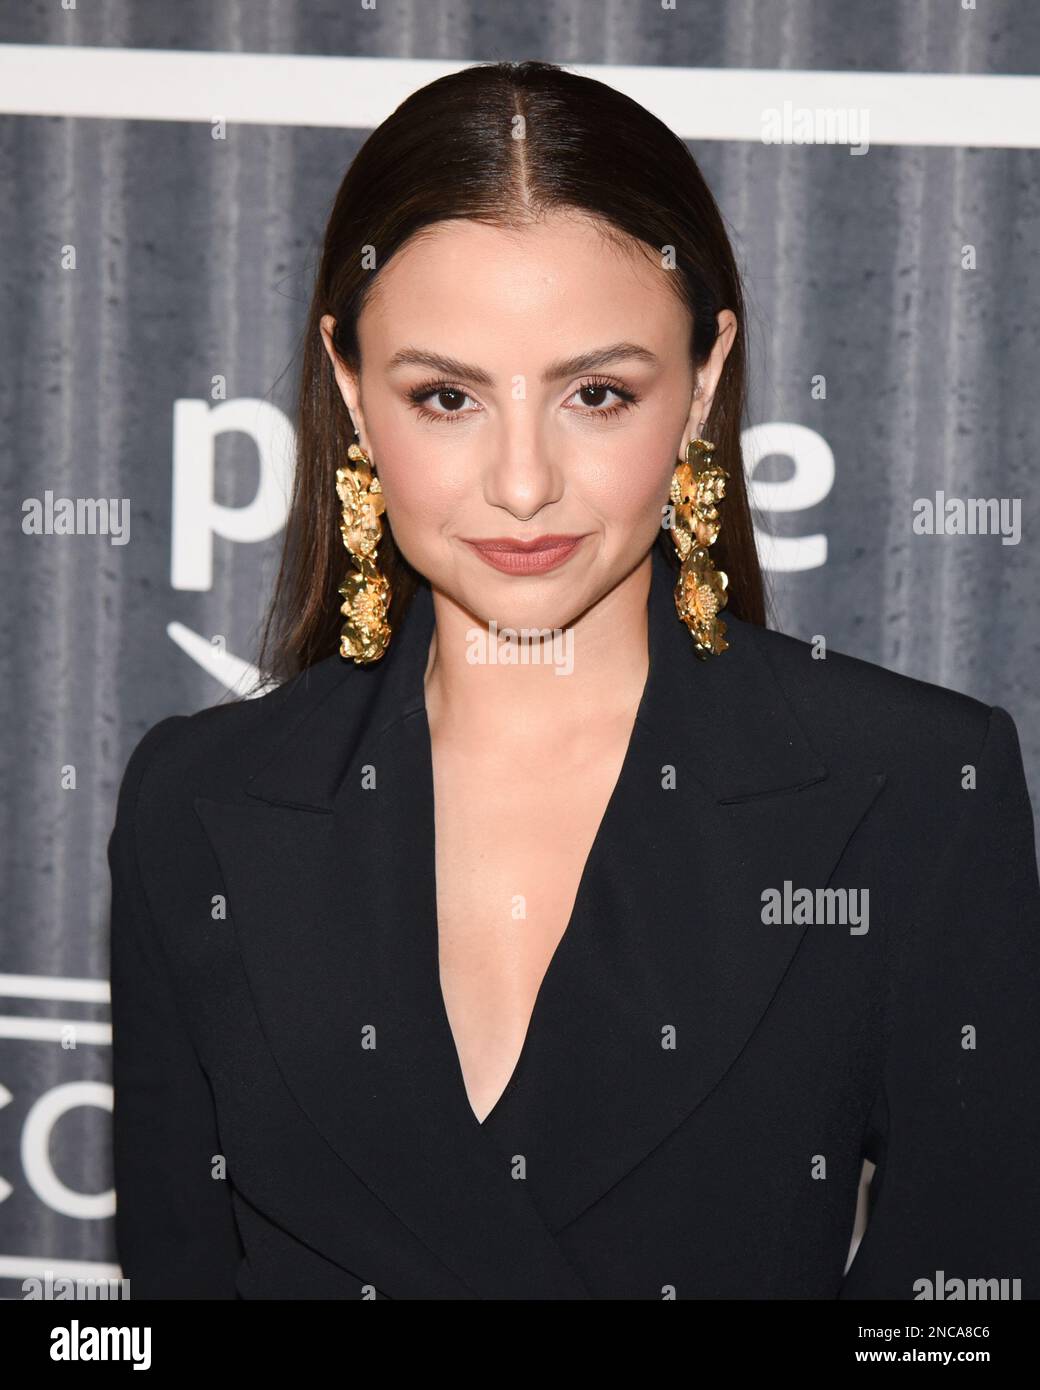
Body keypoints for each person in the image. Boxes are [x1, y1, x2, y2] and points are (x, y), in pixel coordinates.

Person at [108, 59, 1040, 1299]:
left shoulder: (918, 793)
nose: (523, 482)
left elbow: (965, 1308)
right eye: (444, 396)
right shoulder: (196, 802)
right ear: (348, 388)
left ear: (703, 382)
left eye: (596, 393)